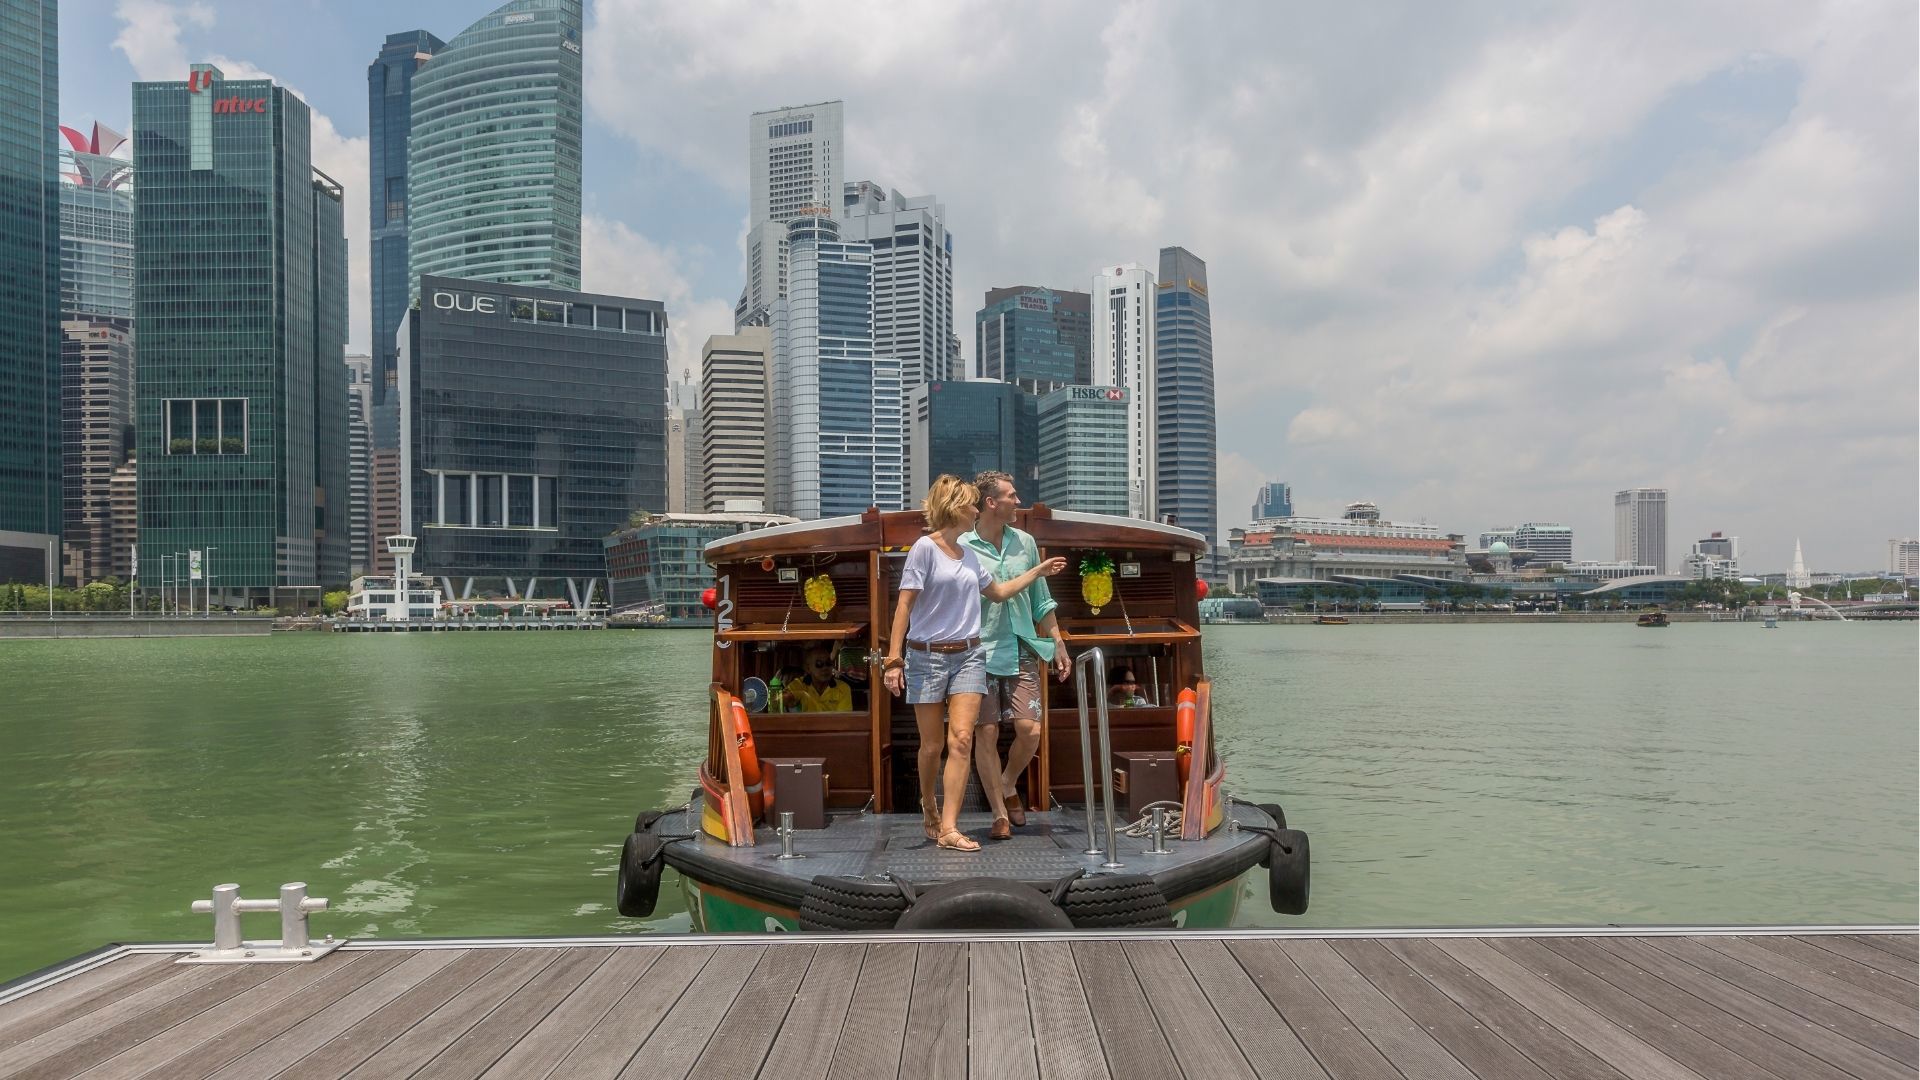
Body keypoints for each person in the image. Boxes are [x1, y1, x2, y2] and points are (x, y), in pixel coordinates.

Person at [883, 475, 1067, 851]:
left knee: (964, 739)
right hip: (928, 656)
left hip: (970, 655)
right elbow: (904, 604)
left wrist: (1037, 572)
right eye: (970, 504)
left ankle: (950, 828)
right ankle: (930, 803)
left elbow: (998, 592)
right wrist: (893, 659)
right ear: (957, 508)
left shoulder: (971, 555)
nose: (975, 508)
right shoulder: (924, 548)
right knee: (933, 746)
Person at [963, 471, 1070, 840]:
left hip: (1022, 647)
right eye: (1011, 495)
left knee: (1030, 731)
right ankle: (998, 814)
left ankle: (1008, 783)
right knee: (986, 733)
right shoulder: (963, 545)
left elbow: (1041, 600)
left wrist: (1057, 641)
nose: (1018, 500)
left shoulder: (1025, 541)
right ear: (991, 502)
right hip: (977, 653)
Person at [783, 646, 853, 712]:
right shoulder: (798, 685)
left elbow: (843, 721)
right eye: (819, 664)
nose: (825, 668)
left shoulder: (843, 688)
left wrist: (805, 698)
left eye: (828, 663)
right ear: (808, 668)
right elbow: (778, 700)